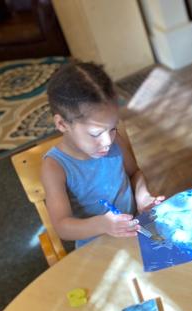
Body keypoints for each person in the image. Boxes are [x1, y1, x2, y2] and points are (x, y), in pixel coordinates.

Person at [42, 61, 163, 249]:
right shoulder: (55, 167)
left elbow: (134, 173)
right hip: (97, 248)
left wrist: (143, 197)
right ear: (62, 124)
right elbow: (62, 226)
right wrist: (103, 224)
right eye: (95, 134)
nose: (108, 141)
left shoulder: (113, 141)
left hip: (137, 232)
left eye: (113, 128)